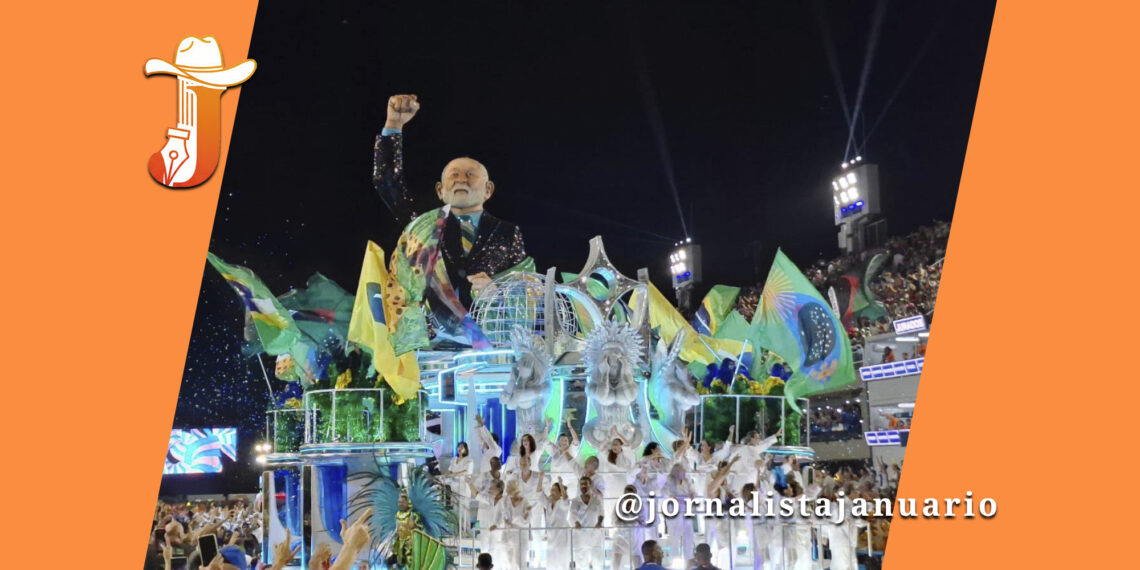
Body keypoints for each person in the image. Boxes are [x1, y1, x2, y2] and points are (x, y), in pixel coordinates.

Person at [373, 94, 530, 352]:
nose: (461, 180)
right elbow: (387, 182)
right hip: (432, 347)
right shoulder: (424, 227)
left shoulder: (508, 233)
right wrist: (394, 124)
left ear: (488, 189)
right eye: (453, 175)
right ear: (440, 190)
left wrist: (496, 292)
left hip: (488, 346)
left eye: (470, 175)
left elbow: (527, 291)